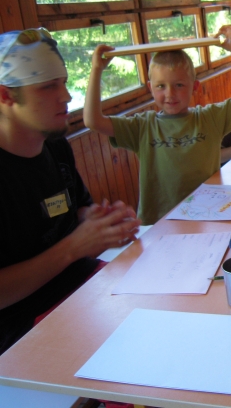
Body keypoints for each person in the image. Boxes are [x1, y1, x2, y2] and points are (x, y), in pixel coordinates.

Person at [0, 28, 141, 355]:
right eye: (48, 86)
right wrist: (74, 247)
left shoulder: (55, 147)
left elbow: (76, 212)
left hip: (88, 289)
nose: (65, 96)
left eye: (63, 82)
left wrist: (101, 223)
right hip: (27, 328)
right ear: (6, 96)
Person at [84, 25, 231, 225]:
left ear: (194, 86)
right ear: (150, 88)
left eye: (179, 85)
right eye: (161, 86)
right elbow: (93, 121)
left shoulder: (209, 118)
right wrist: (96, 70)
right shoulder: (142, 127)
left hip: (208, 216)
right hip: (158, 223)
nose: (170, 94)